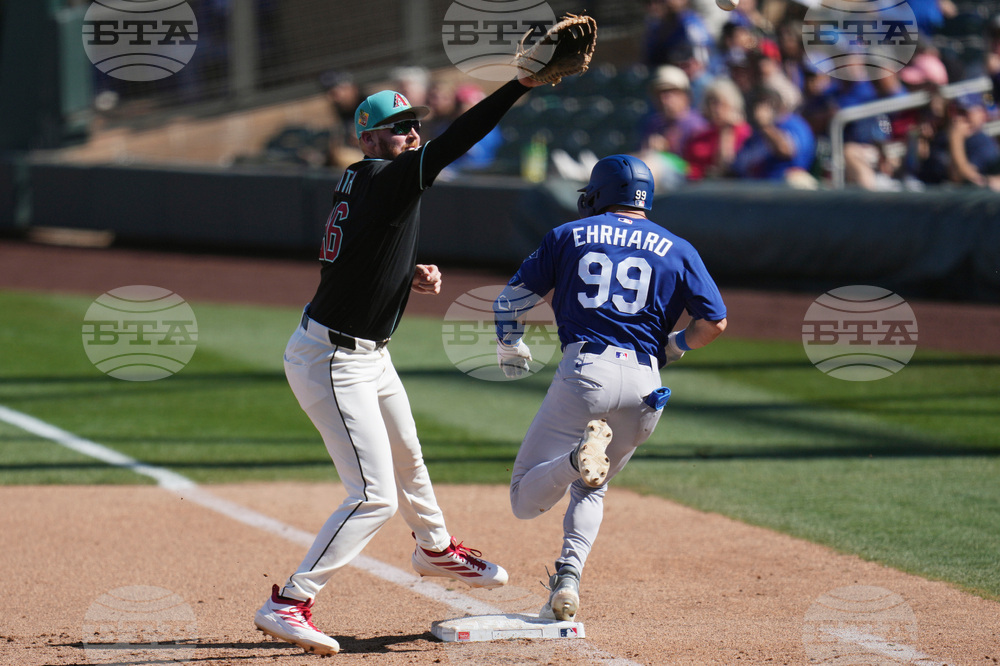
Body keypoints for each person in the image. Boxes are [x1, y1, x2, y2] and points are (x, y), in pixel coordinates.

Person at [253, 71, 549, 655]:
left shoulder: (366, 179)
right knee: (373, 495)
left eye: (413, 125)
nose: (411, 135)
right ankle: (290, 601)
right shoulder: (389, 177)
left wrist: (404, 274)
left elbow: (359, 254)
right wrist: (520, 84)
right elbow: (460, 138)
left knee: (409, 456)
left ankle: (434, 548)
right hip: (332, 360)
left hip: (364, 351)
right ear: (367, 140)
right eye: (395, 129)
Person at [492, 154, 728, 621]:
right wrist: (675, 345)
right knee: (592, 490)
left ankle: (574, 459)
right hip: (646, 384)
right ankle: (568, 579)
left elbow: (509, 302)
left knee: (524, 498)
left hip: (587, 371)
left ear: (598, 193)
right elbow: (716, 323)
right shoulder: (678, 246)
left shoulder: (569, 234)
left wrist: (510, 344)